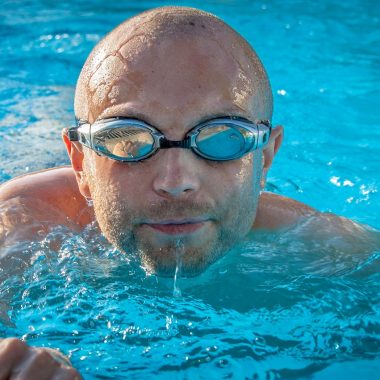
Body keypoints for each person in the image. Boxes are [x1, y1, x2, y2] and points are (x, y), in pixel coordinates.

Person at [0, 6, 375, 379]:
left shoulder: (325, 247)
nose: (176, 181)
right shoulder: (22, 221)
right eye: (128, 139)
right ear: (81, 164)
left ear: (265, 157)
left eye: (222, 139)